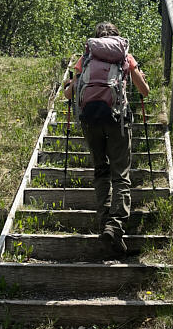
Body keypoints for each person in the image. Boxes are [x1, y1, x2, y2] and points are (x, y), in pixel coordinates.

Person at [64, 22, 149, 255]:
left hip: (90, 121)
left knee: (101, 172)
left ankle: (105, 225)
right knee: (120, 175)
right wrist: (140, 77)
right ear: (116, 37)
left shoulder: (86, 58)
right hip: (117, 120)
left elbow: (69, 93)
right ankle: (115, 226)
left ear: (96, 38)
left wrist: (68, 85)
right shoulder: (125, 56)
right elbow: (144, 91)